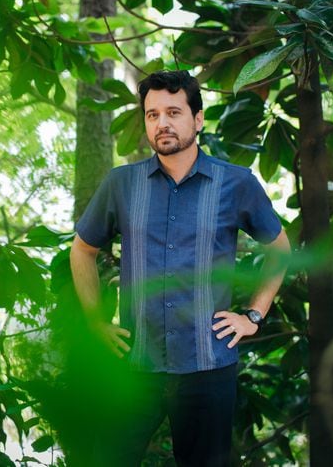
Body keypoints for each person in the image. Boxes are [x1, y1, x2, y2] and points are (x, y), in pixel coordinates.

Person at [70, 70, 290, 466]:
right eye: (152, 115)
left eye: (174, 111)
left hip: (208, 368)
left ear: (198, 119)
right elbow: (82, 250)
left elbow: (280, 249)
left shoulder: (236, 183)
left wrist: (253, 315)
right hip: (134, 365)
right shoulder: (121, 184)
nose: (162, 123)